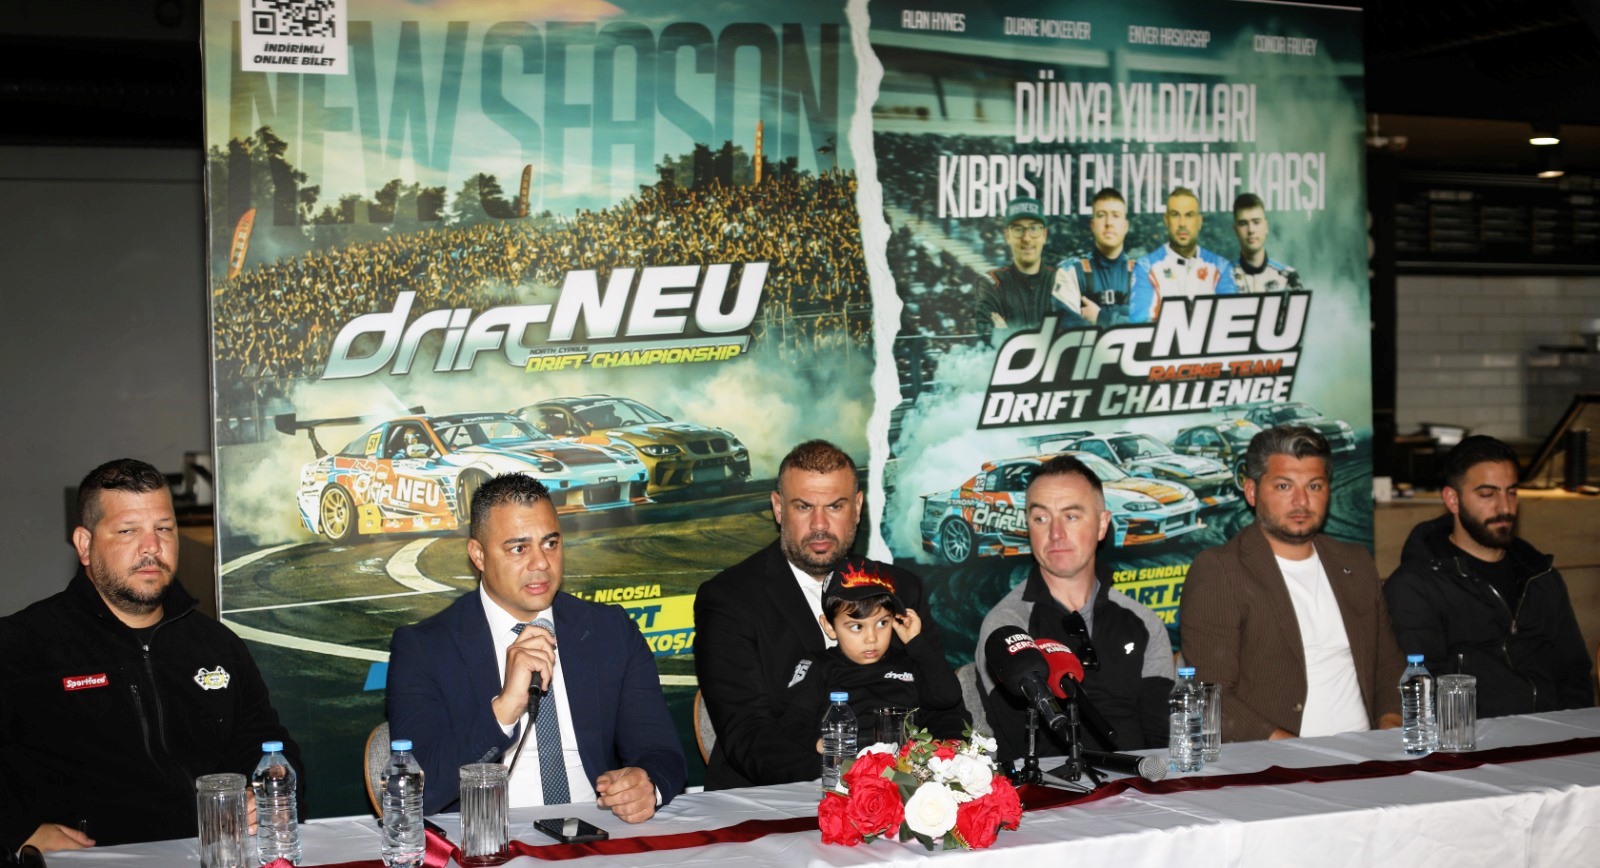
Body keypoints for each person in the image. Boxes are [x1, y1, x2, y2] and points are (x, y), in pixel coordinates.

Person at [0, 458, 299, 854]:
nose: (152, 547)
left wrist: (263, 790)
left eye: (164, 529)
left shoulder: (216, 644)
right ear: (85, 545)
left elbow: (266, 743)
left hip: (216, 853)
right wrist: (15, 833)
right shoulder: (22, 645)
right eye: (128, 530)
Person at [386, 473, 685, 819]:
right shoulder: (424, 649)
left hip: (596, 830)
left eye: (550, 543)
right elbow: (419, 790)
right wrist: (504, 710)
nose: (541, 562)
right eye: (519, 548)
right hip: (489, 836)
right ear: (478, 555)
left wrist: (646, 784)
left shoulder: (609, 630)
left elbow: (662, 752)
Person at [694, 439, 944, 789]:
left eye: (835, 506)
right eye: (803, 507)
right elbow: (749, 737)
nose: (820, 525)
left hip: (900, 790)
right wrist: (850, 779)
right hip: (771, 799)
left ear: (857, 507)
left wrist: (943, 774)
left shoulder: (902, 588)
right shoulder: (729, 599)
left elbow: (941, 707)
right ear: (778, 508)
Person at [1180, 427, 1406, 742]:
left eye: (1314, 485)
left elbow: (1388, 667)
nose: (1302, 501)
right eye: (1284, 486)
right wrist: (1293, 750)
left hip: (1367, 755)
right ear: (1251, 491)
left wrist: (1389, 732)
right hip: (1277, 760)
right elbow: (1210, 695)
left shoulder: (1355, 562)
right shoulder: (1221, 570)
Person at [974, 455, 1174, 762]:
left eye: (1070, 516)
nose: (1055, 533)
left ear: (1102, 524)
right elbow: (1024, 750)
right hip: (1056, 787)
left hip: (1144, 781)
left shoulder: (1143, 622)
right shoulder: (1007, 627)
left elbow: (1162, 740)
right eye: (1041, 518)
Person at [1384, 436, 1594, 717]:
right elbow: (1424, 691)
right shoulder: (1416, 586)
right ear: (1452, 499)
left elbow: (1574, 671)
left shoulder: (1540, 575)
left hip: (1555, 733)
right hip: (1474, 738)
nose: (1504, 507)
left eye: (1511, 492)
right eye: (1487, 494)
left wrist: (1571, 730)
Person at [777, 562, 967, 754]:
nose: (872, 638)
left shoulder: (909, 662)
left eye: (882, 623)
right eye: (857, 627)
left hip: (905, 766)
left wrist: (916, 643)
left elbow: (948, 700)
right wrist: (824, 745)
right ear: (829, 627)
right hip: (843, 766)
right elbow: (791, 725)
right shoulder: (818, 666)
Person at [976, 196, 1099, 338]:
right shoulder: (992, 283)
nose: (1026, 238)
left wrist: (1007, 333)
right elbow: (989, 337)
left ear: (1044, 235)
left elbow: (1082, 335)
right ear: (1007, 236)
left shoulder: (1065, 279)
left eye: (1034, 228)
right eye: (1018, 229)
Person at [1128, 187, 1239, 323]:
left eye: (1189, 215)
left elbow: (1229, 322)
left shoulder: (1221, 267)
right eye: (1175, 215)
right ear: (1166, 220)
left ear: (1199, 221)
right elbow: (1141, 325)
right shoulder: (1145, 267)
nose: (1182, 223)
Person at [1058, 187, 1136, 326]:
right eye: (1101, 215)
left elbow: (1154, 327)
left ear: (1125, 226)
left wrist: (1101, 318)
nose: (1109, 223)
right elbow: (1068, 330)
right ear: (1092, 225)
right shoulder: (1070, 272)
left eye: (1116, 215)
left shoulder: (1144, 273)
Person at [1230, 193, 1303, 294]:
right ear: (1235, 231)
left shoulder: (1288, 277)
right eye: (1243, 223)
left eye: (1256, 222)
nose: (1251, 230)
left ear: (1266, 227)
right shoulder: (1221, 277)